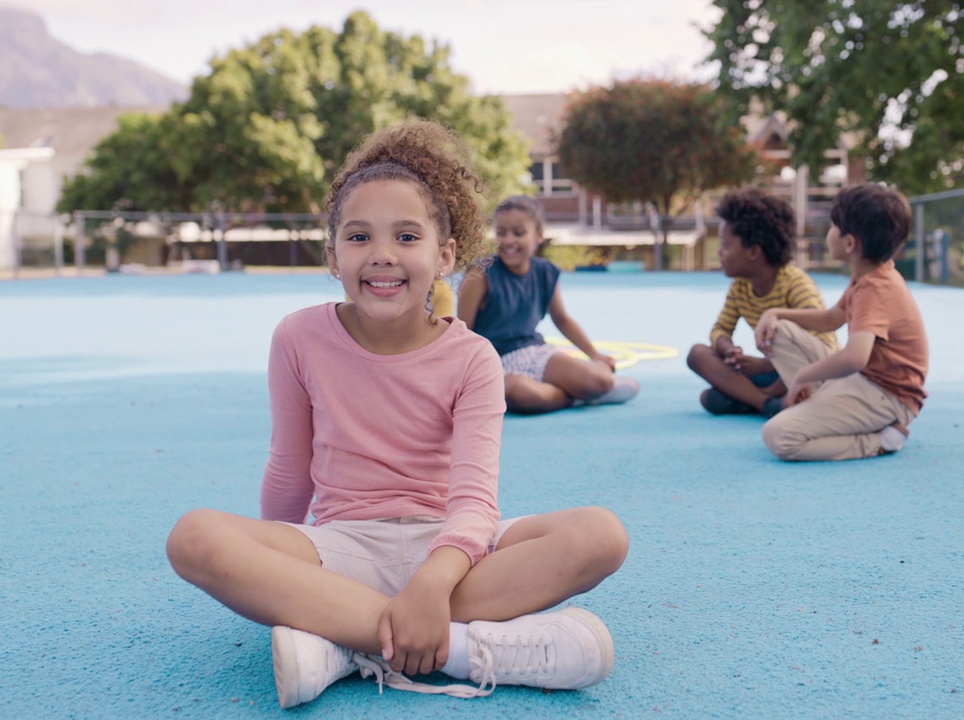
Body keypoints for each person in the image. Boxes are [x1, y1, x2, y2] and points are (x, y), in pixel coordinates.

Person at [165, 120, 629, 709]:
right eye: (359, 238)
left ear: (446, 255)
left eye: (407, 237)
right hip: (343, 547)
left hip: (455, 554)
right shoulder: (297, 337)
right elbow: (289, 466)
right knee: (195, 537)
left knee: (600, 535)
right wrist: (277, 562)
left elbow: (473, 499)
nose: (382, 255)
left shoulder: (474, 358)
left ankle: (344, 643)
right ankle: (461, 649)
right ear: (332, 255)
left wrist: (433, 580)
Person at [754, 183, 928, 461]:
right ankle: (825, 408)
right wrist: (775, 313)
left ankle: (880, 440)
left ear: (849, 243)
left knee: (779, 436)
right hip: (865, 380)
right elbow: (831, 319)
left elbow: (855, 358)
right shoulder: (867, 274)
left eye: (834, 226)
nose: (829, 232)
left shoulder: (876, 288)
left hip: (888, 396)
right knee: (780, 331)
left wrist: (802, 376)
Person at [457, 195, 639, 414]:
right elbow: (462, 333)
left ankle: (581, 391)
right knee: (521, 393)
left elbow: (561, 319)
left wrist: (595, 355)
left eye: (518, 232)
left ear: (538, 235)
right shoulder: (480, 275)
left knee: (601, 381)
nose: (508, 241)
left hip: (534, 351)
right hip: (494, 361)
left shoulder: (545, 272)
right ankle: (575, 397)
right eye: (501, 233)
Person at [686, 188, 836, 416]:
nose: (720, 253)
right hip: (773, 373)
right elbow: (720, 329)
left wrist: (767, 366)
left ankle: (755, 398)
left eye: (726, 245)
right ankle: (767, 403)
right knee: (697, 355)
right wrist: (729, 351)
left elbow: (821, 345)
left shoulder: (795, 283)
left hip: (806, 371)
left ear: (754, 251)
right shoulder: (740, 286)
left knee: (716, 399)